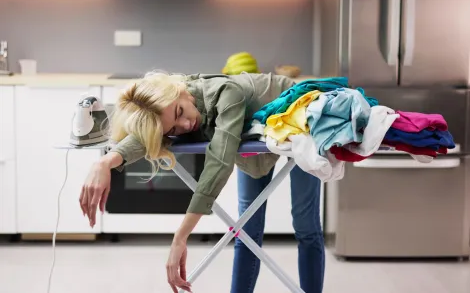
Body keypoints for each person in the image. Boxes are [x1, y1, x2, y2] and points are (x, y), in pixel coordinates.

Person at [79, 71, 325, 293]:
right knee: (246, 230)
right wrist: (104, 162)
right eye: (173, 129)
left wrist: (180, 237)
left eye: (180, 113)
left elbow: (219, 162)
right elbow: (144, 137)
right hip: (254, 137)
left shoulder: (228, 93)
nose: (185, 125)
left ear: (182, 92)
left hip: (298, 119)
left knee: (305, 224)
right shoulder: (171, 108)